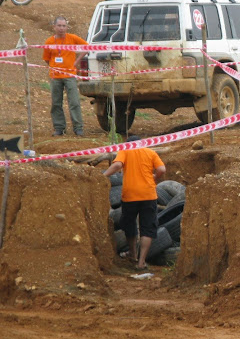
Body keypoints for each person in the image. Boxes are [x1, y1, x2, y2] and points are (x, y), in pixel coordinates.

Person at [103, 136, 166, 270]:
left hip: (130, 196)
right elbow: (162, 169)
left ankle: (132, 254)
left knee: (129, 224)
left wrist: (103, 175)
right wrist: (154, 178)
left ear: (128, 144)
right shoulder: (150, 152)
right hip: (148, 194)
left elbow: (117, 165)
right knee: (147, 227)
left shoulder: (125, 150)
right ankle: (141, 262)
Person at [42, 16, 88, 136]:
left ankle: (78, 128)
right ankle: (59, 128)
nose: (61, 28)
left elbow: (86, 47)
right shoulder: (49, 42)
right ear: (54, 27)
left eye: (64, 26)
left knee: (74, 102)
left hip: (70, 75)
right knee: (56, 103)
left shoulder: (72, 38)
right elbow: (46, 58)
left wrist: (76, 62)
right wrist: (54, 67)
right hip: (55, 76)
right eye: (59, 26)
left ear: (67, 27)